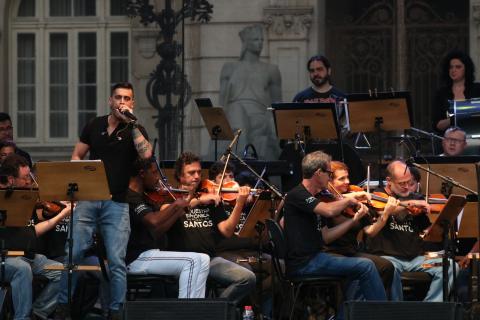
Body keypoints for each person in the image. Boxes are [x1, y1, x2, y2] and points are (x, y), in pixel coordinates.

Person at [54, 82, 152, 319]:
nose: (122, 102)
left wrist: (133, 123)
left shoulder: (134, 130)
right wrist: (79, 174)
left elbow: (147, 154)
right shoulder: (95, 125)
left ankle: (116, 310)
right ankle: (63, 305)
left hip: (116, 202)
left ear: (132, 103)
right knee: (73, 253)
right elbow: (77, 154)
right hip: (88, 199)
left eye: (127, 98)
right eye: (118, 97)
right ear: (110, 100)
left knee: (117, 260)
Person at [283, 151, 388, 315]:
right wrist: (349, 198)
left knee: (360, 270)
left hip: (316, 257)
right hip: (304, 263)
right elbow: (329, 211)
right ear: (319, 173)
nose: (329, 177)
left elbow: (326, 236)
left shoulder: (316, 197)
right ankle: (385, 315)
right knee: (366, 266)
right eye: (329, 173)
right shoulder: (298, 195)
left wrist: (353, 220)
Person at [164, 152, 256, 305]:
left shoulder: (210, 197)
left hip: (209, 259)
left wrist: (239, 203)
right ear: (180, 176)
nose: (197, 176)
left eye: (199, 172)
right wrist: (198, 201)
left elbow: (226, 230)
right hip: (182, 261)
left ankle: (214, 309)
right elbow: (165, 211)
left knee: (247, 278)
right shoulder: (172, 197)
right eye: (191, 173)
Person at [366, 160, 456, 301]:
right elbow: (389, 210)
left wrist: (436, 228)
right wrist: (410, 203)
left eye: (409, 182)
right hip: (388, 258)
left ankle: (429, 311)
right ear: (389, 181)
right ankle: (398, 312)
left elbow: (425, 229)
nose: (407, 187)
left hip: (416, 259)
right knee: (389, 269)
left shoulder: (415, 197)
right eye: (402, 184)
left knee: (450, 266)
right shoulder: (378, 196)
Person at [125, 157, 210, 298]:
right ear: (142, 174)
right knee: (192, 261)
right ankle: (184, 313)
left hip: (149, 253)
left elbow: (156, 232)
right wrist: (176, 205)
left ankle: (196, 311)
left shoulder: (145, 196)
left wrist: (178, 213)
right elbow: (153, 221)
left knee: (204, 259)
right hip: (135, 258)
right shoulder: (130, 197)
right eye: (154, 173)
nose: (158, 178)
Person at [0, 154, 72, 320]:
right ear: (11, 179)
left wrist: (58, 214)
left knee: (64, 271)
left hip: (28, 256)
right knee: (22, 269)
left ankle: (38, 313)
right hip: (6, 258)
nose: (29, 182)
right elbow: (26, 233)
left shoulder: (25, 195)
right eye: (25, 178)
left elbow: (33, 228)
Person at [323, 161, 399, 297]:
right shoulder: (326, 200)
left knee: (386, 266)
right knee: (370, 266)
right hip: (331, 252)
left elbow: (370, 231)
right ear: (329, 181)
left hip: (350, 251)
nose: (347, 182)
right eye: (341, 179)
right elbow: (332, 200)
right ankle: (354, 307)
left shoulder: (354, 202)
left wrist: (386, 214)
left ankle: (368, 306)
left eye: (347, 177)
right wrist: (353, 197)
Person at [219, 24, 282, 160]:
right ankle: (242, 158)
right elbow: (222, 103)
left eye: (261, 40)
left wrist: (270, 122)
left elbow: (277, 104)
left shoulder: (271, 70)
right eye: (255, 40)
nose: (260, 43)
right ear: (246, 42)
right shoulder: (229, 68)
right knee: (237, 111)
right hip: (235, 114)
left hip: (259, 115)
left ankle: (244, 160)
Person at [432, 50, 480, 132]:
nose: (453, 70)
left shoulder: (478, 89)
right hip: (450, 140)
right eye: (451, 67)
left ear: (466, 69)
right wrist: (455, 118)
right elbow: (437, 125)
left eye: (458, 67)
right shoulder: (441, 93)